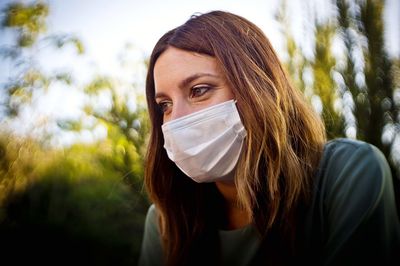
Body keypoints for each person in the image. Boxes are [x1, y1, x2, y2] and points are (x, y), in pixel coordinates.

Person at [138, 10, 400, 266]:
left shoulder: (349, 173)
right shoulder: (165, 221)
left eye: (199, 90)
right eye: (164, 105)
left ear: (258, 87)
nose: (177, 118)